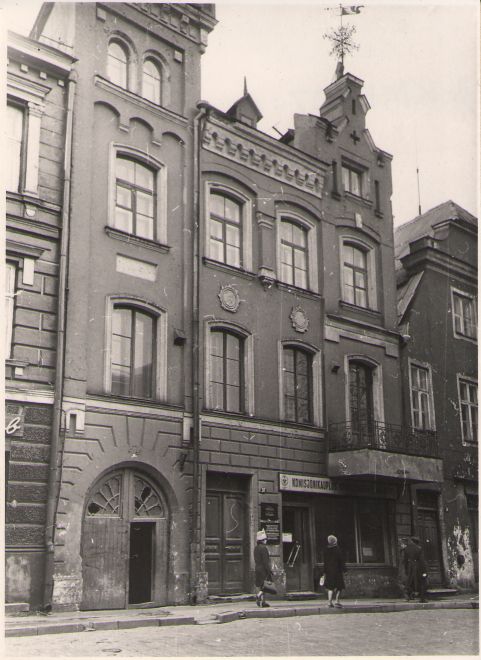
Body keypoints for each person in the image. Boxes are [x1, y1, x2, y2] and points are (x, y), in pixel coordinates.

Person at [323, 534, 346, 608]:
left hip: (329, 571)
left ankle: (329, 602)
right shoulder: (337, 549)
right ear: (335, 541)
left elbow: (325, 562)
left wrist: (324, 571)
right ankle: (337, 601)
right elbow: (341, 560)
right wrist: (344, 569)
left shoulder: (326, 550)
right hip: (337, 571)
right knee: (339, 586)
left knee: (330, 587)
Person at [403, 536, 428, 602]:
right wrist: (424, 571)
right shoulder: (419, 548)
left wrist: (406, 569)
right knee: (422, 581)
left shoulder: (406, 549)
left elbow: (405, 560)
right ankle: (422, 598)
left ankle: (408, 595)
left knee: (410, 581)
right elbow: (421, 560)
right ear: (417, 542)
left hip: (409, 567)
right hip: (418, 567)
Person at [254, 529, 273, 607]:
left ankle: (263, 602)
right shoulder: (264, 548)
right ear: (262, 540)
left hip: (257, 568)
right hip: (263, 569)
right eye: (265, 539)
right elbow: (265, 562)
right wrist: (269, 571)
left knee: (260, 585)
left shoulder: (256, 548)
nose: (266, 540)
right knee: (265, 586)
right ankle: (259, 596)